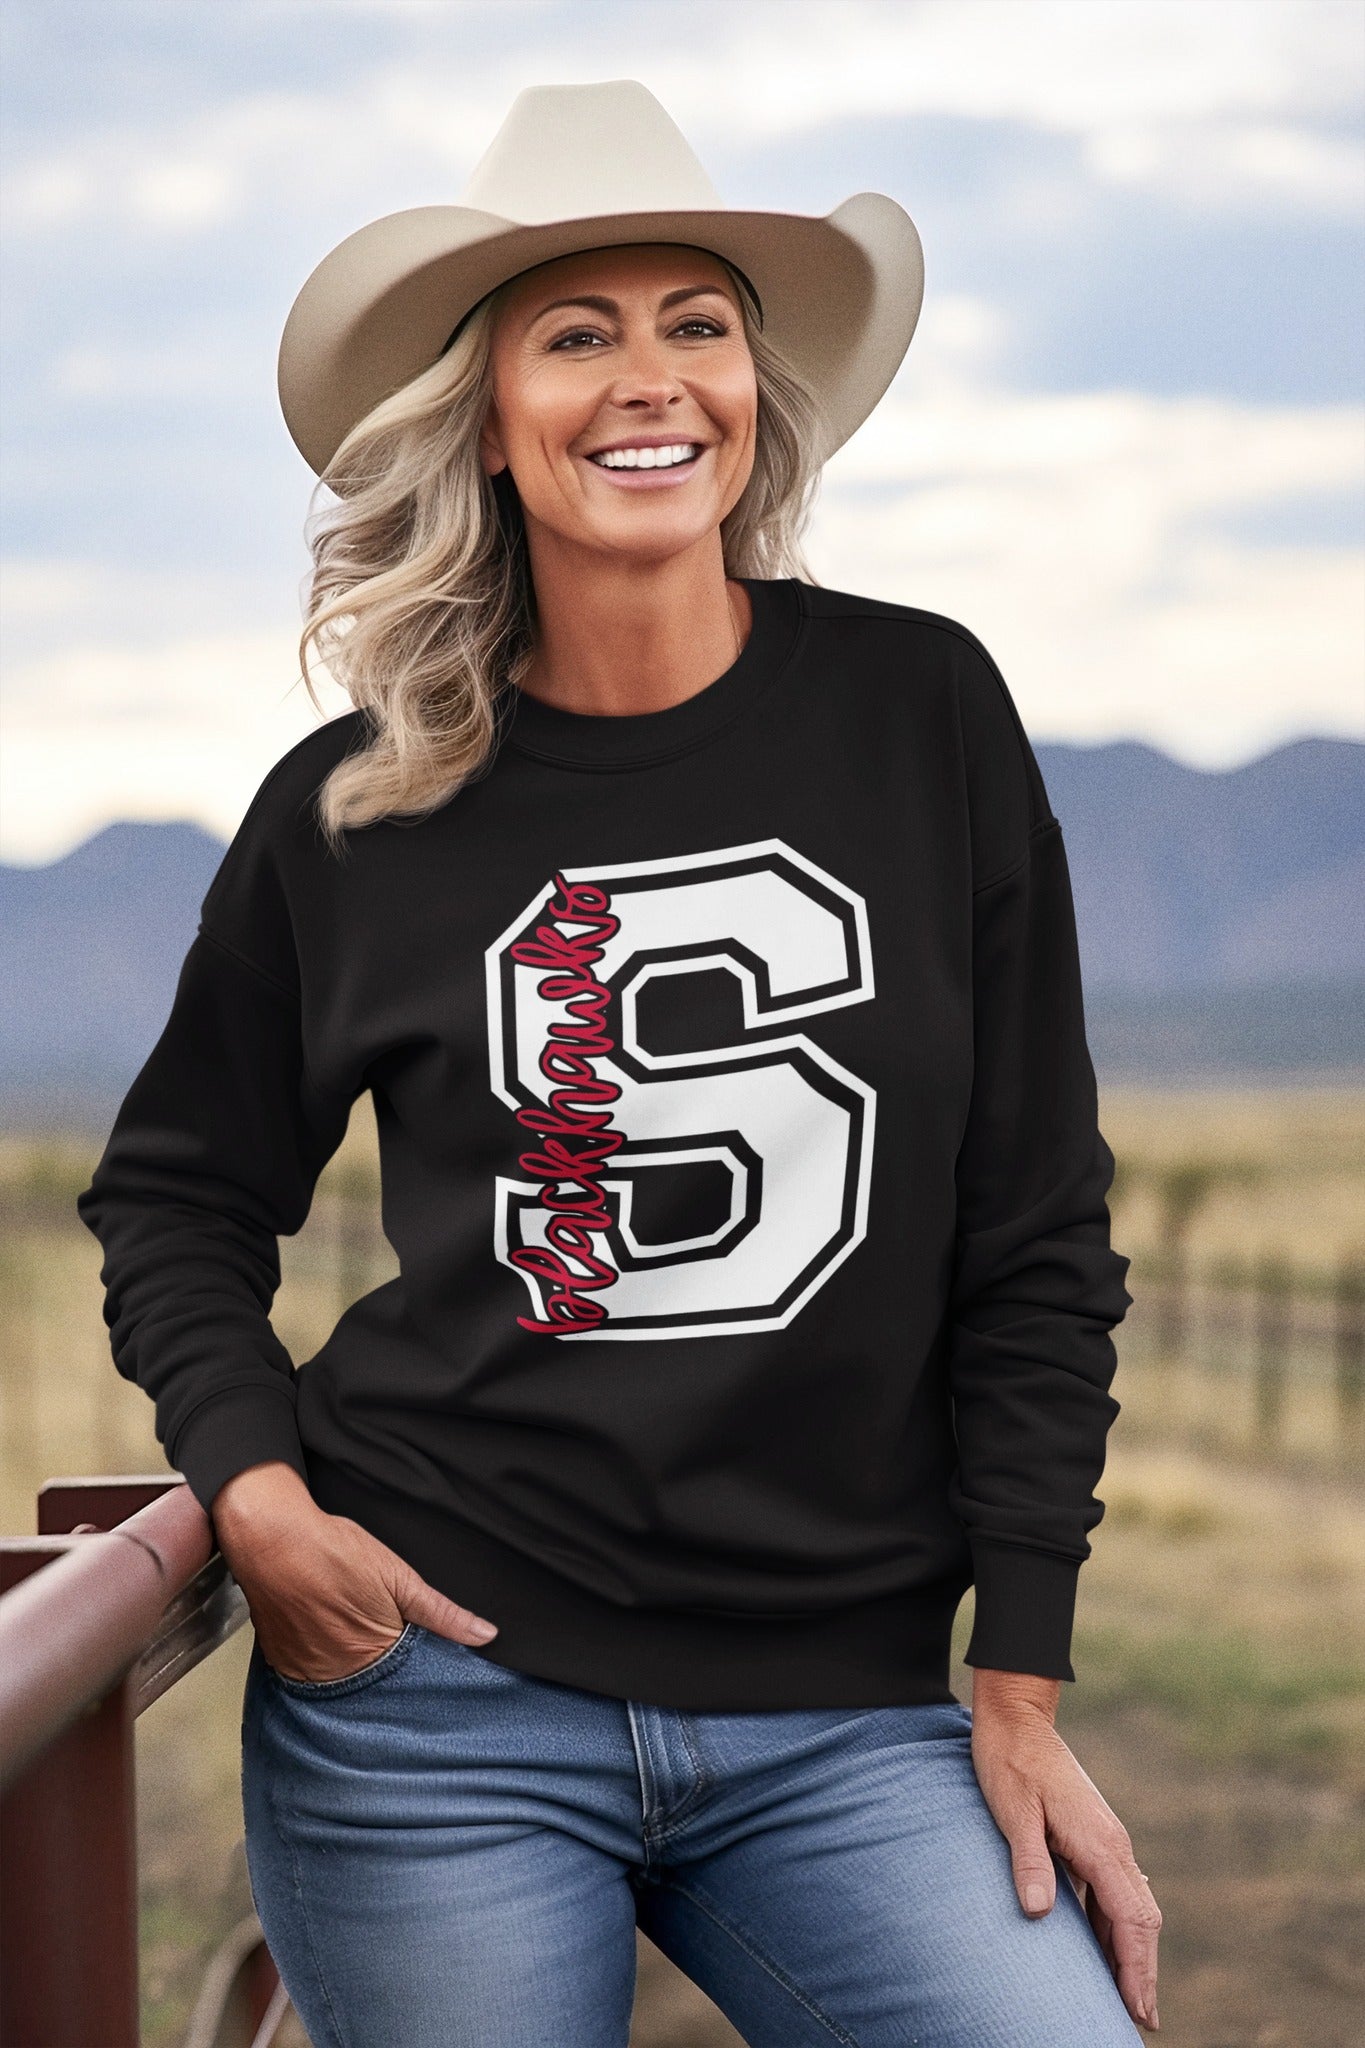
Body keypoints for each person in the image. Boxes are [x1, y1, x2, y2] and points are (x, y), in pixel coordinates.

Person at [78, 79, 1160, 2048]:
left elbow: (1031, 1225)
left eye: (697, 322)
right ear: (483, 419)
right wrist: (250, 1486)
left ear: (754, 389)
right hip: (438, 1703)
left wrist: (1018, 1675)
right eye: (574, 332)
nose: (646, 379)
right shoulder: (354, 806)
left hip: (845, 1715)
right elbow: (177, 1188)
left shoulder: (919, 709)